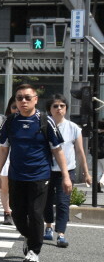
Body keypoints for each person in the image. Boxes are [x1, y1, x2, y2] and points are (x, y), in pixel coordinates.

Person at [0, 84, 72, 262]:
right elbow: (4, 149)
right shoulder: (11, 121)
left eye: (27, 97)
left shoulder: (45, 121)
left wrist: (66, 176)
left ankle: (34, 251)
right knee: (18, 213)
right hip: (16, 175)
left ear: (36, 99)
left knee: (36, 213)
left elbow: (58, 151)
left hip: (40, 175)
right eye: (19, 98)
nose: (23, 101)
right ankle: (29, 237)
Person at [43, 94, 90, 248]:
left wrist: (86, 172)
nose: (59, 109)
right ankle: (48, 227)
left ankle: (61, 234)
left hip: (67, 171)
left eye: (62, 106)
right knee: (47, 201)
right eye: (55, 106)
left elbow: (80, 151)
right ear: (49, 109)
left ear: (66, 109)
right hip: (47, 169)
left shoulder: (74, 128)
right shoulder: (44, 127)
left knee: (63, 202)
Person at [0, 97, 17, 225]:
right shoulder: (5, 120)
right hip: (6, 156)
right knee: (5, 187)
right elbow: (1, 143)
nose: (17, 109)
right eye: (13, 107)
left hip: (21, 158)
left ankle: (17, 211)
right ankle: (7, 212)